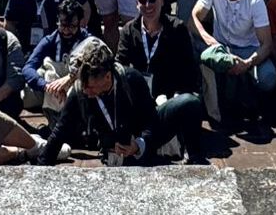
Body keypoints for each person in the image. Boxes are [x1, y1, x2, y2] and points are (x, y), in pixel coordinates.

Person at [35, 37, 206, 167]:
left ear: (107, 76)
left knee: (189, 103)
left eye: (92, 87)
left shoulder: (131, 79)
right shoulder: (82, 91)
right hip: (115, 149)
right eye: (84, 86)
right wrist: (41, 169)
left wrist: (139, 144)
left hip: (142, 139)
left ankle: (195, 160)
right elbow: (60, 131)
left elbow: (150, 120)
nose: (87, 92)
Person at [116, 0, 208, 164]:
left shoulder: (177, 28)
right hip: (140, 101)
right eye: (142, 1)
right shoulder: (128, 30)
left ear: (162, 0)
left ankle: (193, 154)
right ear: (137, 4)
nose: (148, 5)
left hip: (167, 98)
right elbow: (120, 66)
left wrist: (176, 94)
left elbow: (188, 70)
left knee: (190, 102)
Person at [191, 0, 276, 134]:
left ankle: (257, 107)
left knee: (268, 77)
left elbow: (266, 44)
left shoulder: (254, 0)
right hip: (222, 46)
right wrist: (211, 41)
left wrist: (248, 63)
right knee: (208, 57)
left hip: (248, 49)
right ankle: (219, 111)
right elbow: (194, 18)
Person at [22, 3, 90, 118]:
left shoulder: (88, 40)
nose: (67, 31)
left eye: (72, 26)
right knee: (49, 73)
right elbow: (28, 68)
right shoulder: (50, 40)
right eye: (63, 25)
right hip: (52, 90)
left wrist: (70, 78)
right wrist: (47, 86)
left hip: (78, 86)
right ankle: (54, 119)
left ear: (80, 23)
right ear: (57, 21)